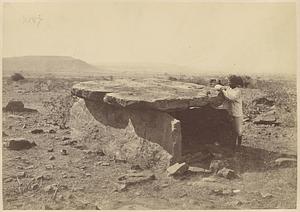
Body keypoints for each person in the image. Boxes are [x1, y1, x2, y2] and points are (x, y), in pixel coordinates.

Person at [219, 75, 244, 150]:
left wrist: (223, 90)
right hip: (229, 112)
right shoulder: (228, 88)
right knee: (229, 129)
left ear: (235, 83)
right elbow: (216, 86)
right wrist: (220, 87)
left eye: (230, 82)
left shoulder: (238, 91)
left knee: (238, 131)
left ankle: (239, 146)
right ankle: (231, 145)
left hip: (237, 113)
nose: (229, 83)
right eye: (228, 82)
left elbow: (231, 98)